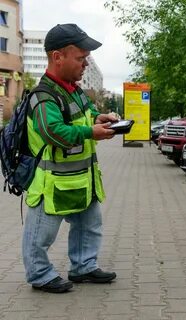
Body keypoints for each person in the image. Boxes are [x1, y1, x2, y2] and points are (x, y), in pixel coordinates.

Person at [22, 23, 117, 293]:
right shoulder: (43, 96)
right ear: (57, 57)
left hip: (81, 180)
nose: (85, 64)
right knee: (41, 234)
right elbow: (53, 131)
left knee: (90, 225)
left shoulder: (74, 91)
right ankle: (40, 274)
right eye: (80, 58)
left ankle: (84, 266)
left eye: (86, 59)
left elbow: (85, 116)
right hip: (52, 184)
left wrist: (101, 119)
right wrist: (91, 132)